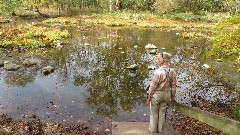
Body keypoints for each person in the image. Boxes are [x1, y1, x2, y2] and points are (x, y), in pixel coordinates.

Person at [146, 52, 177, 133]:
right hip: (167, 94)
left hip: (157, 95)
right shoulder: (172, 71)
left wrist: (149, 98)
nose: (157, 60)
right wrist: (173, 97)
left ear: (162, 60)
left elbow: (152, 87)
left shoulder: (158, 72)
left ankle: (153, 129)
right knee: (162, 112)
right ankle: (161, 130)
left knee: (154, 113)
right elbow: (173, 86)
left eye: (158, 59)